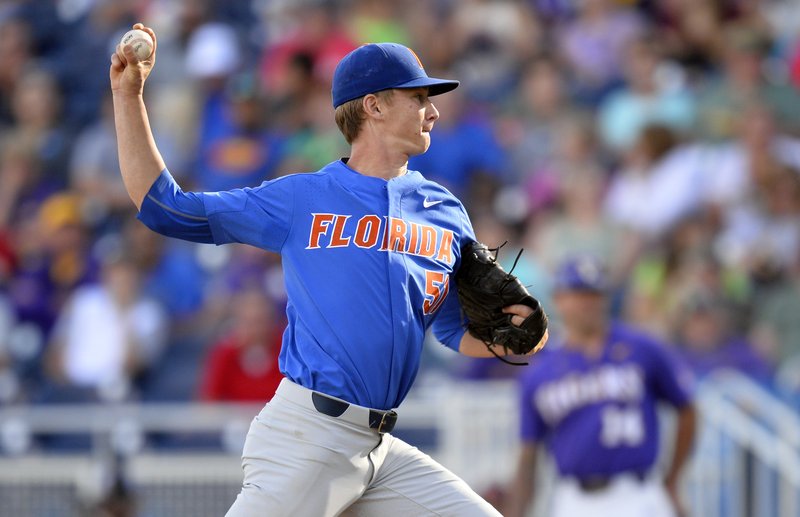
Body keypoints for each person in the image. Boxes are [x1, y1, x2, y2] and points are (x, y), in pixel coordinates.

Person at [110, 23, 547, 516]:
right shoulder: (303, 198)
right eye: (418, 97)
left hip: (381, 449)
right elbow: (166, 208)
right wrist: (129, 97)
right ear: (374, 105)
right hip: (310, 437)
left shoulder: (443, 209)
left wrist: (505, 337)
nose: (434, 110)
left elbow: (448, 327)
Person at [505, 256, 696, 517]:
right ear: (559, 299)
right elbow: (529, 453)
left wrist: (672, 479)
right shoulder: (541, 370)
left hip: (637, 493)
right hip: (573, 500)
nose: (588, 303)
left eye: (595, 294)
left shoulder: (642, 347)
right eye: (579, 293)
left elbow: (687, 407)